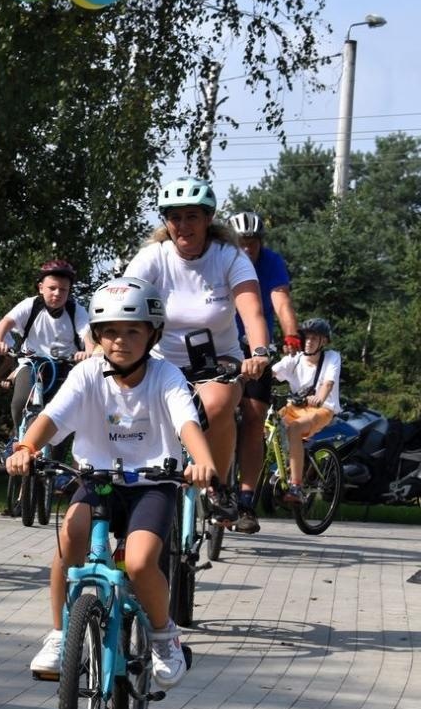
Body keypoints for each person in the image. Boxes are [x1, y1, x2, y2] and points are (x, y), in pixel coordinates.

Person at [9, 277, 217, 688]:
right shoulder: (87, 373)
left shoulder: (166, 376)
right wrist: (27, 447)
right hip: (98, 479)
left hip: (152, 484)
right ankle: (58, 633)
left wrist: (204, 462)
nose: (120, 340)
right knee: (70, 536)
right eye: (110, 332)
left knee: (139, 563)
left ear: (152, 334)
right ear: (98, 336)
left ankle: (163, 636)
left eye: (132, 330)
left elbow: (186, 422)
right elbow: (53, 416)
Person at [124, 177, 271, 533]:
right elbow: (123, 301)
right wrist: (99, 346)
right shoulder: (153, 257)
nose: (183, 226)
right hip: (163, 363)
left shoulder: (229, 257)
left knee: (218, 404)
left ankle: (217, 487)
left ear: (208, 219)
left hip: (218, 363)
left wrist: (260, 352)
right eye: (175, 218)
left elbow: (251, 311)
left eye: (192, 216)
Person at [227, 211, 301, 518]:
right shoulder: (218, 259)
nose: (246, 249)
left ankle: (246, 498)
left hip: (255, 348)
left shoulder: (271, 262)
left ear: (260, 243)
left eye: (252, 243)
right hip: (221, 346)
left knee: (255, 418)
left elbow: (280, 300)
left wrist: (292, 334)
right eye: (240, 243)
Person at [0, 259, 90, 433]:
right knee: (21, 401)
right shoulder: (31, 305)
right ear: (40, 288)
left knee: (64, 414)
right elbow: (5, 323)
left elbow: (88, 335)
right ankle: (19, 437)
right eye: (52, 288)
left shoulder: (76, 310)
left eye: (63, 290)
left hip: (65, 365)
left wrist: (88, 353)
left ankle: (55, 455)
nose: (57, 293)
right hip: (31, 364)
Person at [272, 318, 341, 504]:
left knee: (294, 428)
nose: (308, 341)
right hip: (294, 407)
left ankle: (296, 485)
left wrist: (319, 397)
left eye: (314, 338)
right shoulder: (294, 359)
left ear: (324, 341)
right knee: (266, 424)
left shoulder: (332, 357)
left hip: (321, 409)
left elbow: (328, 383)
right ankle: (284, 464)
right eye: (306, 338)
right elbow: (272, 372)